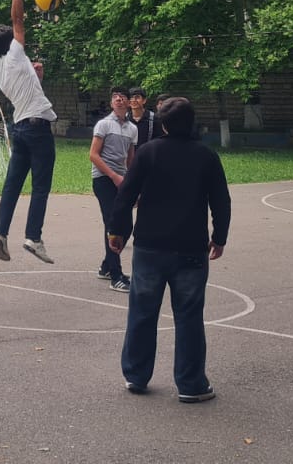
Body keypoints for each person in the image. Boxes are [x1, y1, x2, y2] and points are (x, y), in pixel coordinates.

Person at [108, 96, 231, 403]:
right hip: (190, 248)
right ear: (192, 123)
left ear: (162, 124)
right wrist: (219, 237)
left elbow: (125, 195)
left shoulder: (148, 152)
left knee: (142, 312)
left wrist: (118, 231)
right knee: (189, 316)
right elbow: (221, 200)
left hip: (150, 246)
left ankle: (136, 375)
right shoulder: (206, 155)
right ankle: (191, 384)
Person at [0, 0, 59, 263]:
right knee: (40, 186)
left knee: (12, 186)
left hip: (20, 128)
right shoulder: (15, 53)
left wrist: (35, 76)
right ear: (10, 43)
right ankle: (33, 238)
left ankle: (0, 233)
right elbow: (18, 19)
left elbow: (26, 91)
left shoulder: (1, 70)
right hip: (37, 129)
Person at [89, 87, 138, 292]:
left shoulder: (132, 129)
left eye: (122, 97)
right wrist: (113, 175)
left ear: (128, 103)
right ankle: (116, 276)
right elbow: (93, 155)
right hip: (103, 179)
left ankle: (106, 266)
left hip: (121, 180)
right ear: (111, 103)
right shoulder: (103, 124)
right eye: (115, 97)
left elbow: (130, 160)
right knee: (113, 224)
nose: (118, 99)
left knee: (126, 226)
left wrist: (132, 184)